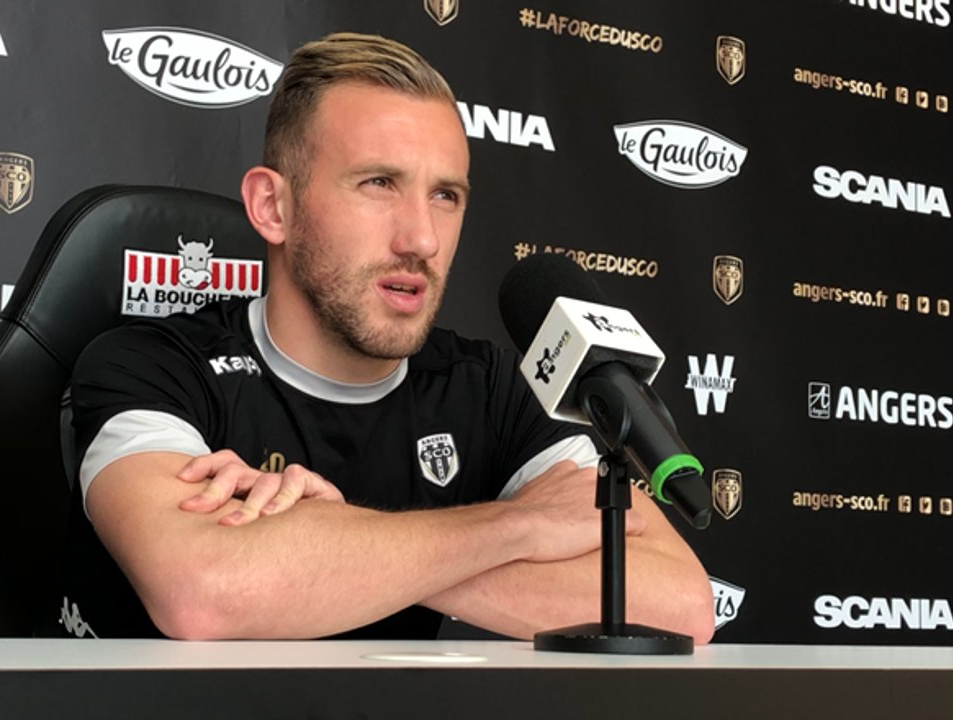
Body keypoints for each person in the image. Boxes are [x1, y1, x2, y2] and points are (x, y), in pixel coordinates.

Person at [52, 32, 713, 642]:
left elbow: (679, 604)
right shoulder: (151, 366)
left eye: (445, 196)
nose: (421, 239)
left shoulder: (491, 390)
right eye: (378, 183)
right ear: (273, 207)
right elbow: (204, 593)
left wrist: (323, 542)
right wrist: (520, 526)